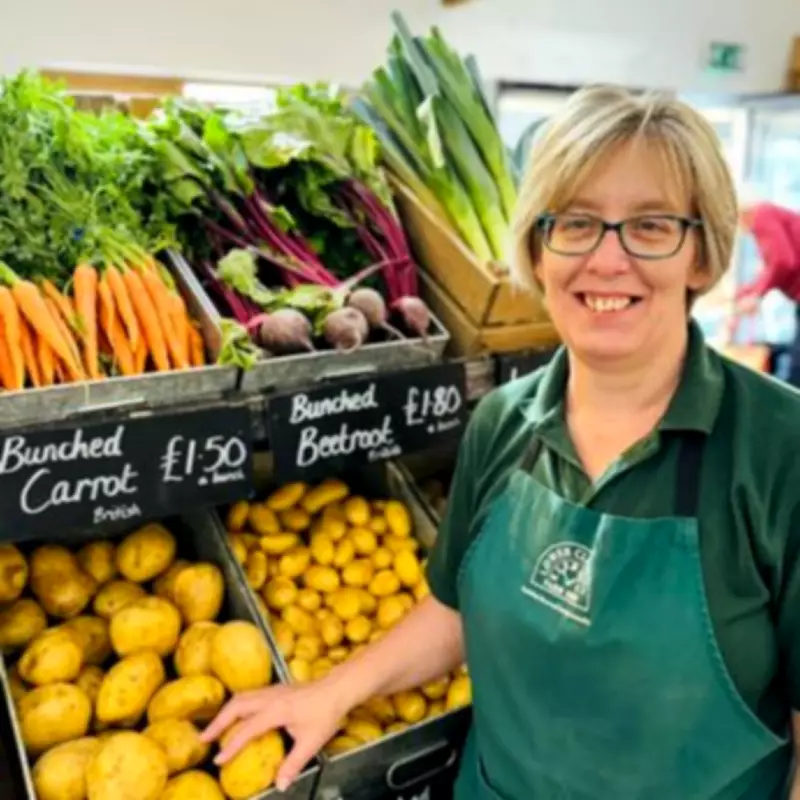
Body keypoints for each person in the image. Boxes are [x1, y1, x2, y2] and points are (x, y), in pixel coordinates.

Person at [201, 86, 800, 799]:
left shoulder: (778, 448)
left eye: (650, 226)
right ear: (538, 252)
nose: (608, 260)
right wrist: (330, 692)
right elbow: (454, 607)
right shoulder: (500, 423)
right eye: (575, 224)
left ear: (701, 255)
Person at [734, 201, 800, 384]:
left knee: (796, 370)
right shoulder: (772, 216)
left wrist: (757, 294)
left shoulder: (762, 216)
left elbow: (783, 261)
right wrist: (750, 291)